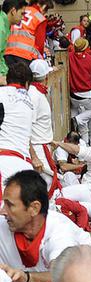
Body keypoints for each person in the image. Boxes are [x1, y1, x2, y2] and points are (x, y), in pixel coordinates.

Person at [0, 170, 91, 282]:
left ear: (34, 208)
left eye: (9, 205)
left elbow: (64, 280)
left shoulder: (60, 231)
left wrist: (25, 278)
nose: (3, 211)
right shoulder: (6, 222)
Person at [28, 59, 63, 199]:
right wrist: (34, 156)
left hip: (42, 144)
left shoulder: (34, 92)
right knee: (47, 184)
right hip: (38, 147)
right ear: (46, 77)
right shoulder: (35, 95)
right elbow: (27, 127)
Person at [0, 62, 35, 196]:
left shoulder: (2, 94)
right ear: (26, 84)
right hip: (24, 165)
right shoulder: (29, 101)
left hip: (4, 162)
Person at [4, 0, 53, 66]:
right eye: (46, 10)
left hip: (7, 52)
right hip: (25, 55)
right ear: (44, 6)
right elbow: (39, 44)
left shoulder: (20, 10)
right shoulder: (40, 17)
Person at [69, 38, 91, 144]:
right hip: (85, 94)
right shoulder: (90, 59)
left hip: (72, 94)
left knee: (82, 123)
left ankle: (83, 146)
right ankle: (76, 120)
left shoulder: (69, 56)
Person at [0, 0, 28, 85]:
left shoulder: (5, 24)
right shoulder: (1, 28)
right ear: (13, 11)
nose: (23, 18)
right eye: (22, 13)